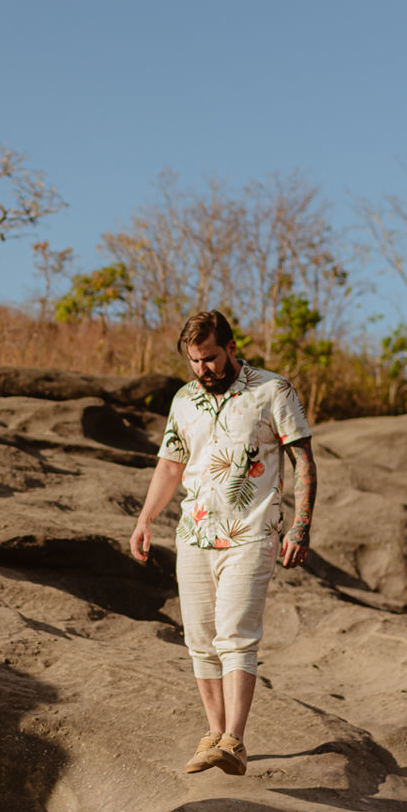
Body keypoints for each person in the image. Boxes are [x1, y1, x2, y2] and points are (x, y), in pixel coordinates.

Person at [128, 311, 317, 776]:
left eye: (210, 358)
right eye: (194, 361)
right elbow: (171, 465)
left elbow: (303, 460)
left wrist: (301, 525)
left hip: (251, 534)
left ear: (231, 347)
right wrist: (145, 518)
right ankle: (213, 734)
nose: (203, 369)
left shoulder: (273, 390)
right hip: (193, 534)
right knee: (199, 639)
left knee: (235, 634)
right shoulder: (184, 400)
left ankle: (235, 738)